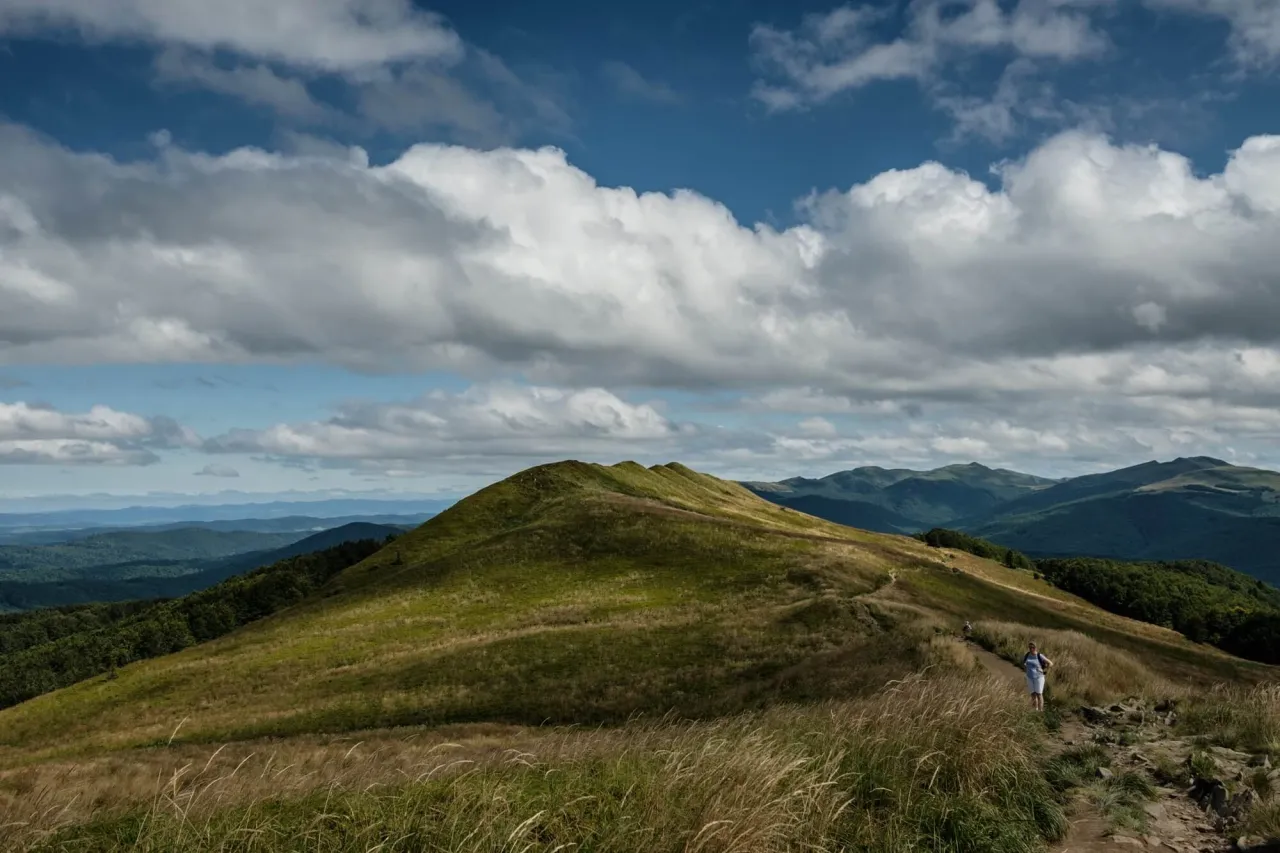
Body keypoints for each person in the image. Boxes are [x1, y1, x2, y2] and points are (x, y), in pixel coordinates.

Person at [1022, 642, 1053, 711]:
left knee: (1039, 694)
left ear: (1036, 648)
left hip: (1039, 677)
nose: (1031, 649)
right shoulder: (1027, 655)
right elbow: (1024, 662)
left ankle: (1040, 711)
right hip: (1029, 677)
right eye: (1030, 647)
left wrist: (1043, 669)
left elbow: (1050, 663)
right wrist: (1025, 667)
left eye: (1033, 647)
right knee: (1033, 694)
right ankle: (1035, 710)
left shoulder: (1039, 655)